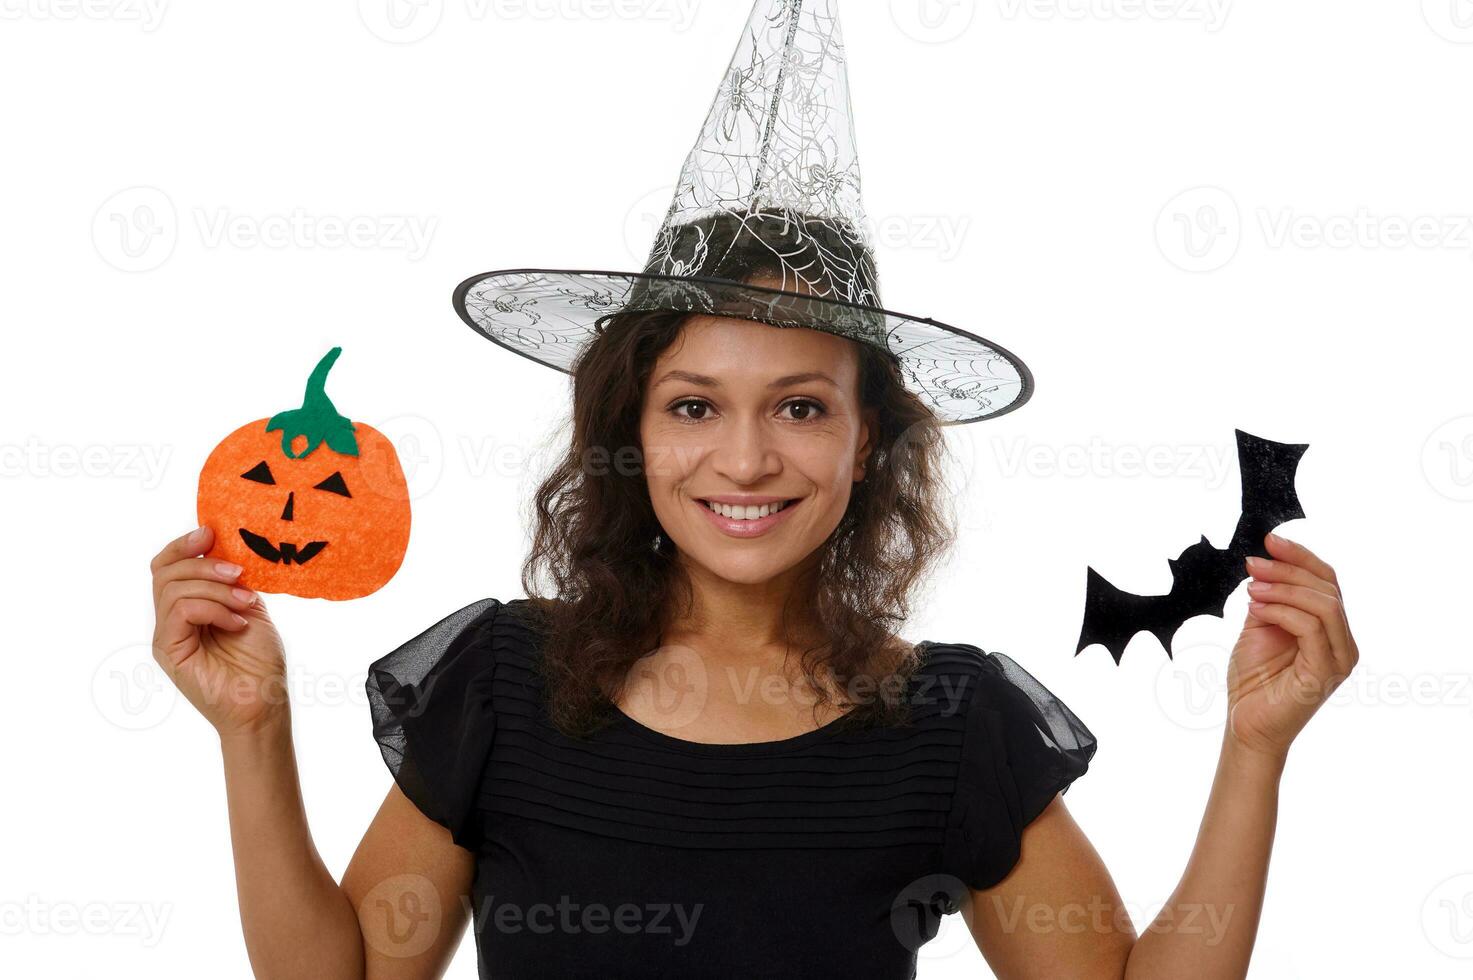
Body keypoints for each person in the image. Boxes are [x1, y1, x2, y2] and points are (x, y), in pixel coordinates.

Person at [148, 2, 1361, 975]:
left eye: (799, 404)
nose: (743, 459)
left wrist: (1256, 747)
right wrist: (251, 731)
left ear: (868, 439)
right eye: (693, 405)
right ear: (629, 424)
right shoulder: (503, 685)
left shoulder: (951, 722)